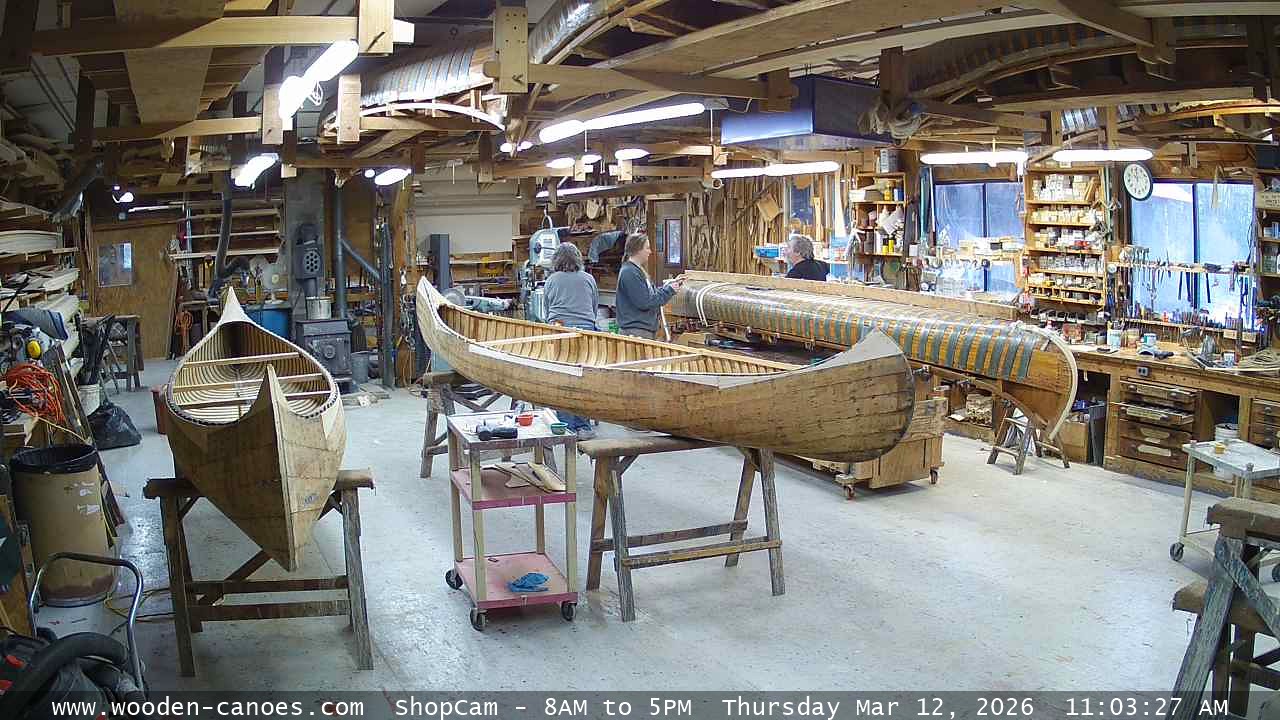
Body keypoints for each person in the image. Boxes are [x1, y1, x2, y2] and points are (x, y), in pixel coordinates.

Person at [543, 243, 599, 439]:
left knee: (562, 378)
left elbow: (546, 309)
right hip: (585, 332)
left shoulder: (551, 280)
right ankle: (584, 426)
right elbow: (594, 307)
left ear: (556, 260)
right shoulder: (588, 279)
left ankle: (566, 427)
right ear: (578, 259)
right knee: (582, 379)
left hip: (560, 331)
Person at [616, 233, 682, 340]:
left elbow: (651, 294)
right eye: (647, 248)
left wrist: (669, 287)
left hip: (642, 331)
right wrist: (669, 290)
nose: (650, 252)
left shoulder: (637, 270)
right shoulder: (629, 272)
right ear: (638, 250)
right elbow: (645, 302)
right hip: (635, 332)